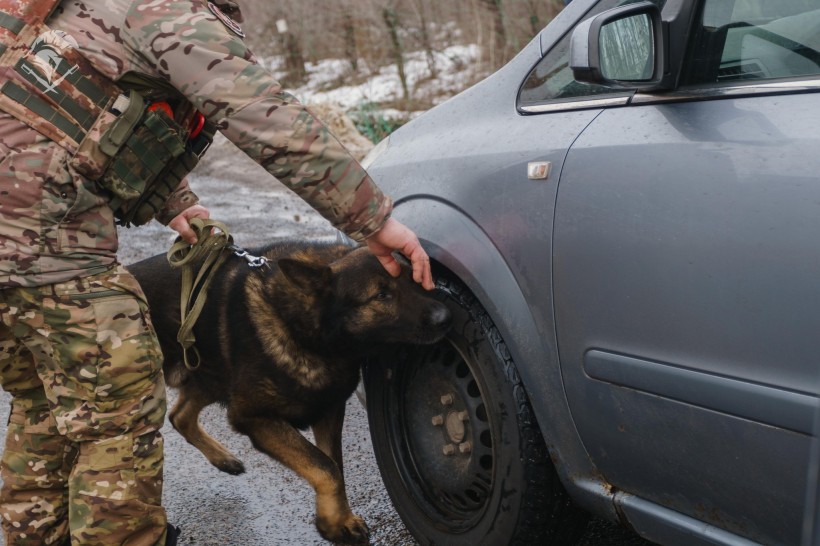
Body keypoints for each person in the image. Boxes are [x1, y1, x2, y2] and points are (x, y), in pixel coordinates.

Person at [0, 0, 434, 544]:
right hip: (44, 241)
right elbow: (263, 113)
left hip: (18, 248)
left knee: (45, 404)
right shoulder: (167, 8)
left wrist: (172, 199)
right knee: (115, 417)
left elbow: (68, 107)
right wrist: (373, 218)